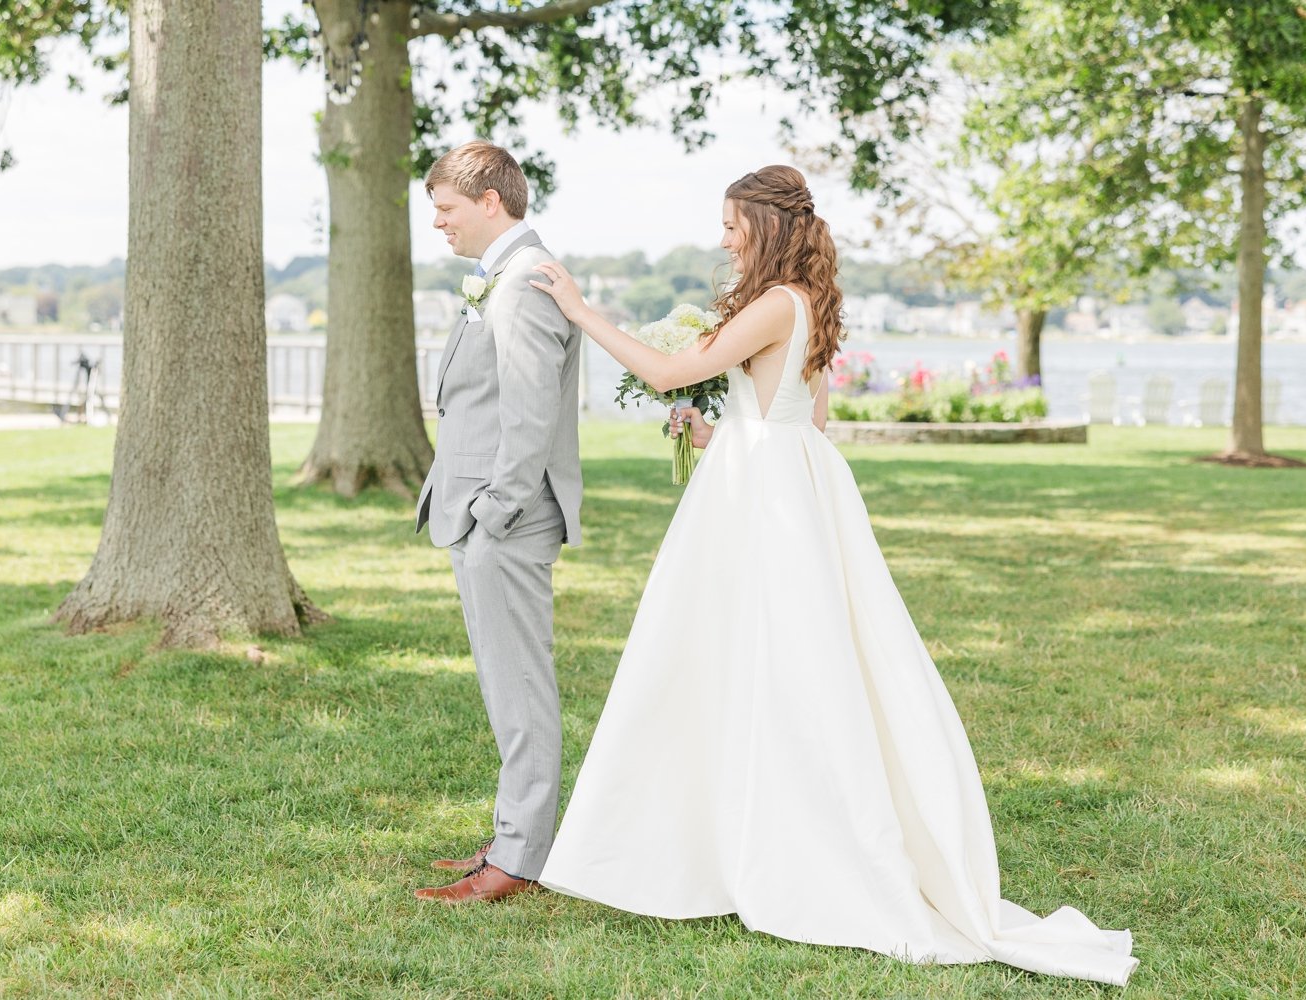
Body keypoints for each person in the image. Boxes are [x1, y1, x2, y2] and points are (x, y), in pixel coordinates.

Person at [527, 165, 1138, 986]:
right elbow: (804, 417)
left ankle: (769, 848)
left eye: (733, 222)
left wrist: (579, 309)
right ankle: (729, 839)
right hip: (776, 485)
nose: (723, 236)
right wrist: (719, 434)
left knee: (760, 666)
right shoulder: (807, 301)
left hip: (761, 505)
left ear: (766, 226)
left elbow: (673, 372)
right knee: (757, 663)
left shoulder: (777, 303)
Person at [413, 141, 583, 904]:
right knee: (503, 686)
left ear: (491, 201)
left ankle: (518, 859)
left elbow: (531, 413)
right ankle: (514, 836)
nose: (440, 225)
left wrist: (494, 510)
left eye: (447, 209)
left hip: (503, 518)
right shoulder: (504, 278)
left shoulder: (522, 285)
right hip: (484, 512)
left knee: (519, 689)